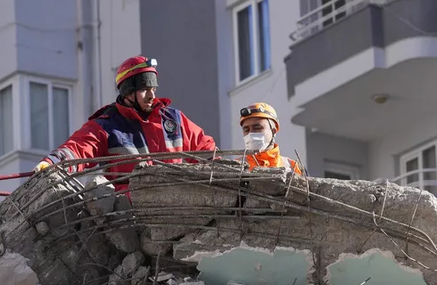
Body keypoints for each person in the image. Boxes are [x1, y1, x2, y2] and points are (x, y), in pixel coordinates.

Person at [34, 56, 216, 187]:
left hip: (176, 209)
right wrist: (52, 163)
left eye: (153, 88)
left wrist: (224, 170)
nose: (152, 95)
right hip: (131, 219)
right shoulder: (106, 126)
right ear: (128, 91)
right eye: (145, 89)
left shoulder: (174, 120)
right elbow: (78, 148)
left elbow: (206, 151)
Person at [238, 102, 302, 174]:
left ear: (273, 131)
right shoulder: (235, 167)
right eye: (246, 130)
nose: (251, 133)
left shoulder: (293, 167)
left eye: (257, 128)